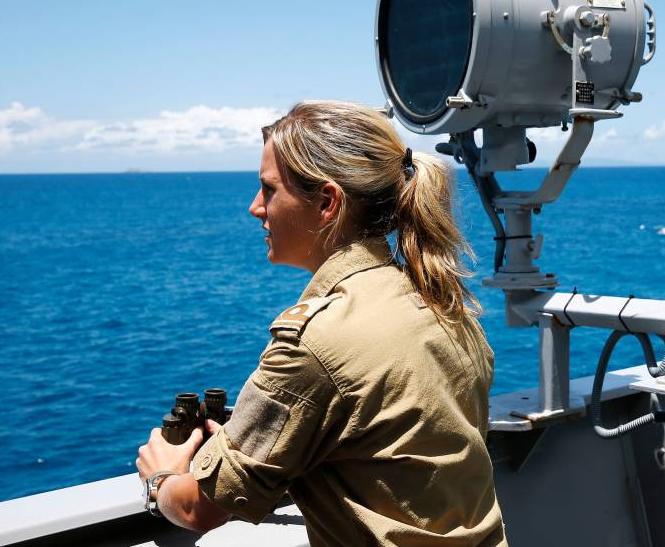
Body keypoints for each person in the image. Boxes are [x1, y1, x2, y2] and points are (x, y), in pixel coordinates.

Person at [136, 100, 507, 546]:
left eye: (268, 189)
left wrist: (162, 476)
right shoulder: (444, 305)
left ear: (327, 202)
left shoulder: (315, 343)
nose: (255, 207)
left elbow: (197, 508)